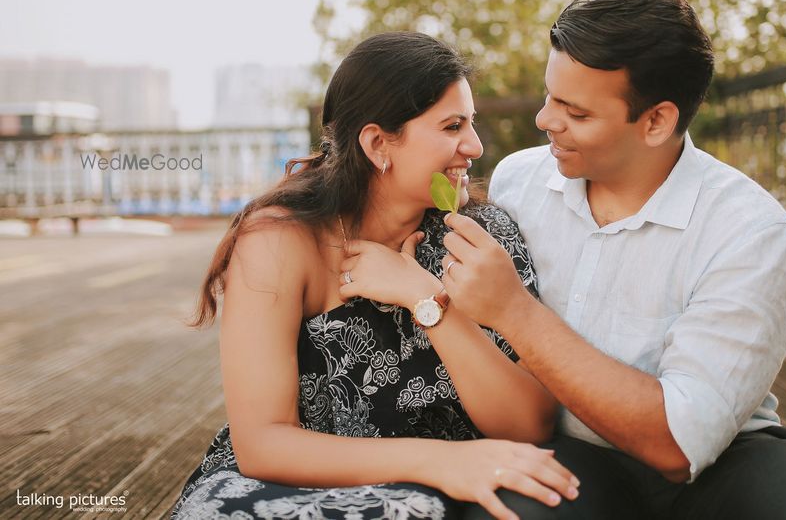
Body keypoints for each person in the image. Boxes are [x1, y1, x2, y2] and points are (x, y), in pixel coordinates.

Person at [433, 0, 786, 519]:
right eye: (549, 96)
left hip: (720, 462)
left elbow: (678, 444)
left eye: (575, 113)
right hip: (568, 450)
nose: (544, 120)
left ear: (657, 121)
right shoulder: (518, 181)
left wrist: (514, 312)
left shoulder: (752, 231)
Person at [170, 32, 579, 520]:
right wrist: (443, 461)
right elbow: (261, 443)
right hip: (288, 486)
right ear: (377, 143)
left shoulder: (482, 236)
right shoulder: (280, 241)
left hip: (443, 489)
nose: (474, 145)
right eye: (452, 127)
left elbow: (528, 424)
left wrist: (425, 298)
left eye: (470, 124)